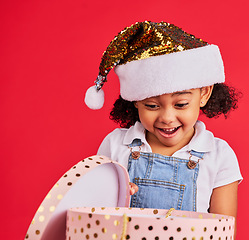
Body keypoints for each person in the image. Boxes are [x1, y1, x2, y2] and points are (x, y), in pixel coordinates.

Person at [84, 21, 242, 220]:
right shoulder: (114, 145)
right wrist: (116, 199)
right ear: (135, 101)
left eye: (181, 104)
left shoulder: (219, 156)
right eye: (152, 106)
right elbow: (93, 215)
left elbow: (223, 230)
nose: (167, 118)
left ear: (204, 93)